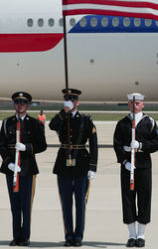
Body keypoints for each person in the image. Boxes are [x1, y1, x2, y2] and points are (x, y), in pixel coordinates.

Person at [48, 88, 98, 247]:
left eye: (72, 100)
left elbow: (94, 145)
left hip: (82, 165)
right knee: (66, 203)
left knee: (80, 204)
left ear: (77, 102)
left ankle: (78, 236)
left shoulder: (86, 120)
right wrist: (64, 111)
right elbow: (51, 125)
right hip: (63, 165)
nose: (70, 102)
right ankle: (68, 235)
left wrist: (93, 167)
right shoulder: (62, 118)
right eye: (67, 100)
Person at [113, 93, 158, 248]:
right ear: (128, 104)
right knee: (128, 199)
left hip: (143, 166)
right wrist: (124, 161)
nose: (134, 105)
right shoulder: (122, 123)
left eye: (137, 103)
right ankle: (131, 235)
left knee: (144, 199)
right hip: (128, 166)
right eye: (131, 103)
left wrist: (141, 145)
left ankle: (141, 235)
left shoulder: (150, 122)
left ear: (143, 105)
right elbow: (117, 144)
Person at [0, 92, 47, 247]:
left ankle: (25, 236)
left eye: (23, 103)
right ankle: (16, 236)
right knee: (15, 205)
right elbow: (1, 145)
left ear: (27, 105)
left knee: (26, 205)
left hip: (27, 169)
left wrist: (26, 147)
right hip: (12, 169)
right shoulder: (7, 123)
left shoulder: (34, 124)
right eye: (17, 103)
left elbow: (42, 145)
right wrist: (8, 163)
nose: (20, 105)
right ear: (14, 105)